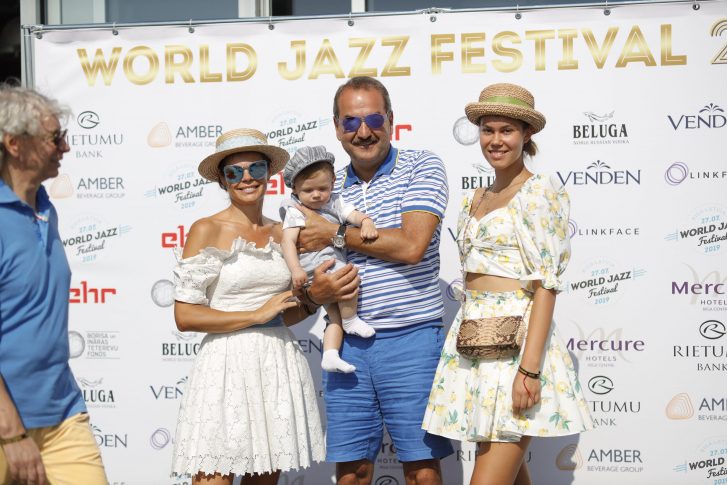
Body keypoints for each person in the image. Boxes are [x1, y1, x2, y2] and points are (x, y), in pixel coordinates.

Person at [421, 83, 594, 485]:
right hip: (474, 341)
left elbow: (546, 284)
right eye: (488, 130)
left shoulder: (540, 191)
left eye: (507, 130)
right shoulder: (475, 197)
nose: (495, 140)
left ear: (526, 134)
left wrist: (529, 370)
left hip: (517, 344)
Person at [171, 128, 353, 485]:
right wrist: (255, 315)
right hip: (224, 366)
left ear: (270, 173)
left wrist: (313, 299)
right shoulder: (206, 229)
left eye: (255, 168)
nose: (247, 178)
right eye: (234, 172)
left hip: (276, 361)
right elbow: (185, 315)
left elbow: (287, 311)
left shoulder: (284, 231)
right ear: (223, 180)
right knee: (212, 477)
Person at [295, 76, 453, 485]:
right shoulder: (326, 188)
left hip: (412, 338)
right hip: (345, 343)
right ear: (337, 128)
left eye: (374, 119)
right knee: (352, 472)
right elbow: (304, 264)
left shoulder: (422, 165)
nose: (363, 132)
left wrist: (332, 233)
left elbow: (411, 245)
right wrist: (314, 291)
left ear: (391, 120)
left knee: (422, 471)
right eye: (351, 122)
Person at [0, 85, 107, 485]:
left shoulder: (45, 208)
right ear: (14, 144)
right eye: (54, 138)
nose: (65, 147)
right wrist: (11, 432)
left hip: (62, 414)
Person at [280, 145, 378, 374]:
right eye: (308, 190)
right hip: (314, 265)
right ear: (294, 188)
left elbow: (353, 215)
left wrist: (366, 221)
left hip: (330, 261)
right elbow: (287, 242)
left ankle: (330, 355)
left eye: (322, 188)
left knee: (334, 315)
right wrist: (295, 270)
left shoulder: (335, 201)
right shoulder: (296, 210)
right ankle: (351, 319)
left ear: (333, 183)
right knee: (348, 279)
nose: (316, 195)